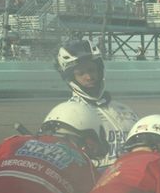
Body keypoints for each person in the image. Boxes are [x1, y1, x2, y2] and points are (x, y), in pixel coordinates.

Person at [54, 38, 138, 168]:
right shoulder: (68, 114)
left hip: (130, 174)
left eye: (92, 70)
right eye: (81, 73)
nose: (89, 77)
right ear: (71, 78)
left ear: (100, 70)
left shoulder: (124, 110)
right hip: (94, 180)